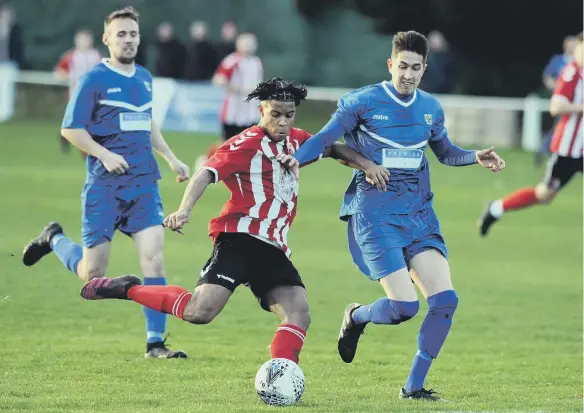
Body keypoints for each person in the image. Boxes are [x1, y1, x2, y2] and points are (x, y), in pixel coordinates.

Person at [76, 77, 390, 366]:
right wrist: (185, 209)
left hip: (273, 248)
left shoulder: (297, 142)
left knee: (299, 312)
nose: (282, 122)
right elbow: (205, 173)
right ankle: (128, 288)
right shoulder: (246, 143)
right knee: (200, 312)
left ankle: (281, 377)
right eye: (275, 114)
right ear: (261, 110)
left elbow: (332, 147)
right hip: (238, 239)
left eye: (289, 115)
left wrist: (366, 165)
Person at [279, 31, 506, 400]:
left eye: (416, 68)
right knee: (403, 307)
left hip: (418, 212)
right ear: (390, 64)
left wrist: (474, 155)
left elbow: (445, 152)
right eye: (402, 66)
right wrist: (297, 159)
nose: (408, 74)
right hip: (375, 213)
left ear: (424, 69)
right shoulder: (364, 102)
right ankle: (356, 317)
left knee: (445, 300)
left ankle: (413, 389)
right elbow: (324, 139)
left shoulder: (430, 107)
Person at [21, 6, 191, 359]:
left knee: (153, 260)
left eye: (133, 34)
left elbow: (147, 122)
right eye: (121, 34)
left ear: (139, 39)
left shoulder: (144, 77)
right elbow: (70, 129)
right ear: (107, 39)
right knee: (92, 273)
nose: (128, 40)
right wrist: (103, 154)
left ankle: (155, 344)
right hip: (104, 187)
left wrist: (171, 158)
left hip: (144, 184)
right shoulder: (94, 79)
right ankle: (54, 238)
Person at [480, 33, 582, 237]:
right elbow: (556, 106)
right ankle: (496, 208)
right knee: (544, 194)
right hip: (568, 151)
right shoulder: (571, 74)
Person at [194, 33, 263, 172]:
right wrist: (238, 89)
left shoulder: (256, 62)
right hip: (233, 111)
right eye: (245, 43)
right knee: (226, 143)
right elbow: (218, 80)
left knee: (251, 143)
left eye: (251, 43)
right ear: (238, 44)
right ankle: (205, 160)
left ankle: (242, 171)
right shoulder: (232, 61)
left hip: (250, 111)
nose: (249, 46)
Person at [55, 29, 102, 156]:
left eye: (86, 39)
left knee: (86, 123)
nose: (84, 42)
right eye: (81, 39)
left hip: (93, 95)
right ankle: (65, 136)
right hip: (75, 94)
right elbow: (59, 71)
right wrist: (64, 76)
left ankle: (85, 150)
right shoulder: (70, 56)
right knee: (76, 123)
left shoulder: (96, 56)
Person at [535, 34, 579, 165]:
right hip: (563, 101)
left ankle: (549, 149)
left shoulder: (578, 62)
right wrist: (556, 88)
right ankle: (550, 149)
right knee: (561, 124)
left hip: (575, 101)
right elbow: (547, 76)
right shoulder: (559, 60)